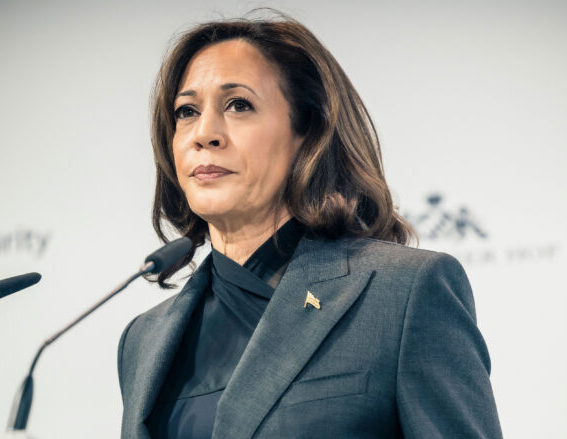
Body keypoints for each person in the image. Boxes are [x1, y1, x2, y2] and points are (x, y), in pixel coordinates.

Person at [118, 12, 503, 439]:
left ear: (308, 131)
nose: (204, 133)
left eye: (239, 105)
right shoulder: (144, 340)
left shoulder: (404, 294)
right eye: (186, 112)